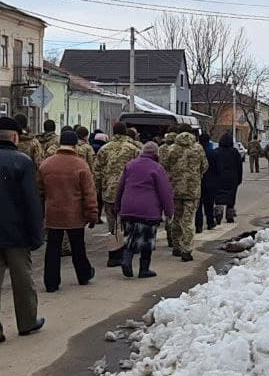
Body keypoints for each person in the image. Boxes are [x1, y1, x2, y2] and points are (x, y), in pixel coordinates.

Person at [0, 117, 45, 346]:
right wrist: (36, 234)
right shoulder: (22, 162)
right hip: (16, 233)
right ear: (15, 137)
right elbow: (31, 202)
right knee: (23, 281)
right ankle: (26, 322)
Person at [38, 130, 98, 292]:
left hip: (53, 213)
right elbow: (89, 193)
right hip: (74, 214)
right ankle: (83, 274)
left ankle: (51, 282)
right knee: (78, 247)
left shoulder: (46, 164)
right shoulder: (81, 165)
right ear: (75, 145)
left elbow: (39, 189)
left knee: (52, 248)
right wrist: (92, 214)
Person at [115, 141, 174, 279]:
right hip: (148, 210)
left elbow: (120, 187)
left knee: (130, 237)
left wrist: (117, 206)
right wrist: (169, 211)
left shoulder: (130, 165)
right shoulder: (157, 168)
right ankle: (144, 269)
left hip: (128, 208)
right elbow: (164, 192)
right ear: (156, 154)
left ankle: (126, 259)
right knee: (147, 240)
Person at [93, 122, 142, 267]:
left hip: (109, 192)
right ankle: (128, 251)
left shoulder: (104, 149)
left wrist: (98, 190)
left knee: (112, 224)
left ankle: (114, 255)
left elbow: (97, 172)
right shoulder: (134, 149)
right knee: (129, 222)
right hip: (129, 192)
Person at [162, 127, 207, 261]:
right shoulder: (198, 149)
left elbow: (164, 166)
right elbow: (204, 166)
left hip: (175, 189)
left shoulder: (171, 149)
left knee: (176, 218)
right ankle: (186, 249)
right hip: (192, 190)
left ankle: (176, 246)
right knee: (188, 220)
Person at [212, 132, 243, 223]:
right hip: (232, 179)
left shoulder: (216, 152)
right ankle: (230, 216)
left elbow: (212, 166)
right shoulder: (235, 152)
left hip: (219, 178)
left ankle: (218, 214)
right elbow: (239, 167)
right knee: (231, 198)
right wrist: (239, 179)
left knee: (218, 198)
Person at [197, 133, 219, 232]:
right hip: (210, 183)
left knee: (198, 206)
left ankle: (198, 225)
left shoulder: (196, 153)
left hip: (197, 182)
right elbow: (217, 169)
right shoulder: (213, 153)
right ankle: (210, 222)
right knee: (209, 205)